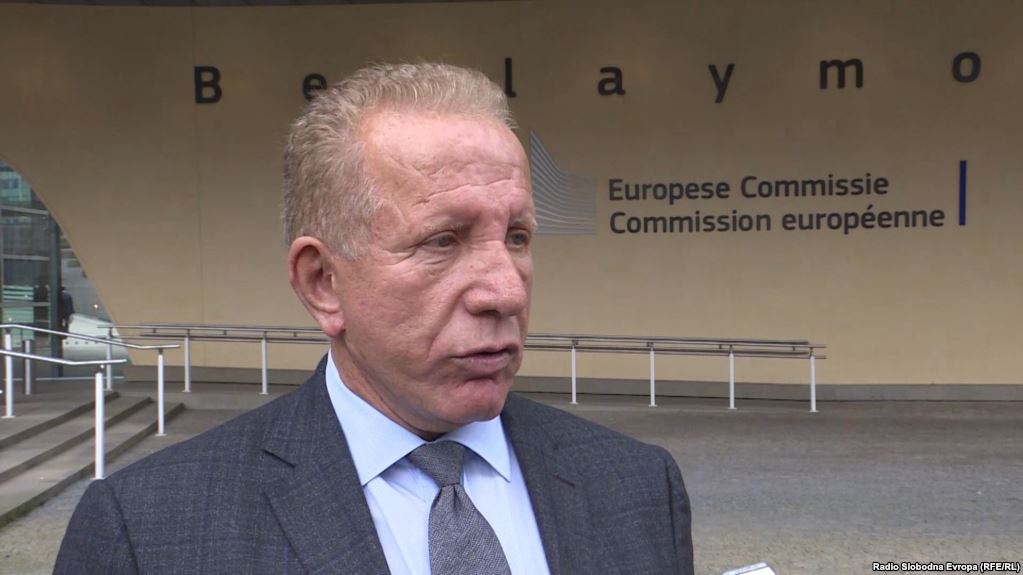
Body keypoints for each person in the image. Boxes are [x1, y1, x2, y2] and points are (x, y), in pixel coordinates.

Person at [55, 63, 694, 574]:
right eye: (443, 241)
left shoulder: (640, 488)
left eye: (518, 237)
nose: (505, 291)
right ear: (322, 282)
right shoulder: (148, 532)